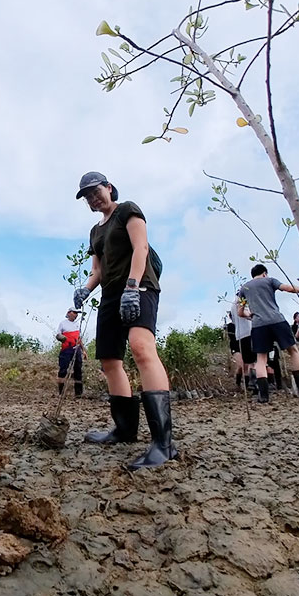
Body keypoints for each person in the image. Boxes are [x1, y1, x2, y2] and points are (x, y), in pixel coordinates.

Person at [73, 172, 177, 469]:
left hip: (138, 286)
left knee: (141, 347)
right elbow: (98, 271)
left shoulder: (128, 210)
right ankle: (124, 430)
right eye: (87, 196)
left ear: (109, 188)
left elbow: (141, 248)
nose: (93, 198)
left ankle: (163, 444)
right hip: (109, 293)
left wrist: (132, 286)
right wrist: (85, 289)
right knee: (109, 359)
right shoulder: (95, 231)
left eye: (96, 191)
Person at [239, 265, 299, 402]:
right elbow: (288, 288)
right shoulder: (269, 280)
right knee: (293, 351)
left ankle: (263, 396)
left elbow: (240, 312)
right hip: (277, 320)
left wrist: (250, 314)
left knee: (261, 358)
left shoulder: (244, 288)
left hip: (258, 325)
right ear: (264, 273)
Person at [229, 294, 259, 394]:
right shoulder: (241, 303)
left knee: (248, 364)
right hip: (243, 338)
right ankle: (249, 384)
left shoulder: (235, 305)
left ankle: (249, 386)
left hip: (242, 336)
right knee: (248, 364)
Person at [56, 308, 85, 398]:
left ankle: (78, 393)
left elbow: (79, 338)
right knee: (63, 369)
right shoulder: (63, 323)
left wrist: (83, 350)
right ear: (69, 313)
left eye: (77, 313)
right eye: (75, 312)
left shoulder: (77, 325)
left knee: (78, 370)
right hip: (66, 349)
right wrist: (61, 337)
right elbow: (57, 334)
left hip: (76, 349)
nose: (76, 315)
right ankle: (61, 392)